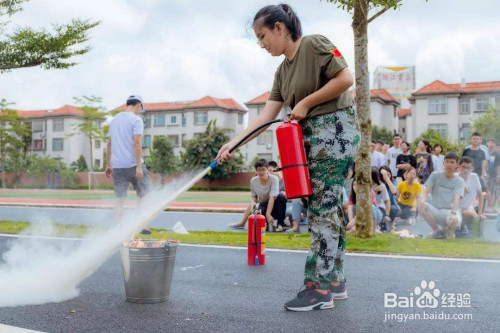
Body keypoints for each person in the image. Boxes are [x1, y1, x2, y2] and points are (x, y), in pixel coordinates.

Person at [216, 4, 360, 311]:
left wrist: (305, 103)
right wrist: (232, 144)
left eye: (262, 35)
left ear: (280, 27)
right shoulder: (282, 71)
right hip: (309, 141)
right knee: (328, 207)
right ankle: (335, 281)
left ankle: (318, 290)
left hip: (334, 132)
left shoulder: (314, 44)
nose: (261, 43)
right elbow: (266, 117)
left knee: (322, 209)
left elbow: (345, 78)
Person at [105, 95, 152, 235]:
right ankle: (141, 224)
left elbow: (109, 143)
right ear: (138, 105)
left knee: (120, 198)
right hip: (133, 164)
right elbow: (136, 143)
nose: (139, 111)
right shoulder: (136, 120)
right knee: (145, 194)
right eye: (140, 108)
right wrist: (138, 166)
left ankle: (119, 228)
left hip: (118, 166)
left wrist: (108, 164)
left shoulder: (114, 120)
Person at [228, 159, 286, 231]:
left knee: (281, 197)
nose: (261, 172)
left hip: (275, 204)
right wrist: (253, 205)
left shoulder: (274, 179)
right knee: (262, 227)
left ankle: (280, 224)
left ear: (267, 170)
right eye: (258, 170)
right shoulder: (253, 180)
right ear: (255, 171)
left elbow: (272, 197)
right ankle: (242, 223)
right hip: (263, 204)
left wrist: (268, 214)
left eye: (263, 169)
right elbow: (254, 197)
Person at [418, 153, 465, 239]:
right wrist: (422, 202)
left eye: (452, 162)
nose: (449, 164)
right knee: (421, 204)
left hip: (450, 212)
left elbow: (456, 198)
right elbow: (426, 191)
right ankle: (437, 231)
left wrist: (454, 213)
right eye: (447, 162)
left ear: (456, 165)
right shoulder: (435, 175)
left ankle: (449, 231)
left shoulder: (460, 181)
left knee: (454, 220)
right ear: (443, 163)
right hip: (436, 210)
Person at [457, 157, 485, 236]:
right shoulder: (455, 178)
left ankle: (473, 235)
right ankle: (460, 227)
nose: (465, 170)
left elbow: (480, 194)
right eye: (463, 167)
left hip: (468, 207)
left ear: (472, 168)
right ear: (459, 166)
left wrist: (480, 213)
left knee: (476, 218)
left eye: (468, 168)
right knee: (464, 214)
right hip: (455, 208)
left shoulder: (474, 177)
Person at [371, 167, 392, 232]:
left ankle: (376, 227)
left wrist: (387, 214)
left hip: (379, 207)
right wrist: (373, 190)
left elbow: (387, 200)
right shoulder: (365, 185)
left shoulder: (381, 186)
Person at [485, 139, 499, 213]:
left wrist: (498, 176)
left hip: (493, 175)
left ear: (494, 144)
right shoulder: (484, 153)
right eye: (489, 142)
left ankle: (491, 207)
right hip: (485, 175)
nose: (491, 144)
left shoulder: (496, 155)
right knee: (485, 191)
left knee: (492, 191)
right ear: (487, 143)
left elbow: (498, 166)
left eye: (492, 142)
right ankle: (485, 206)